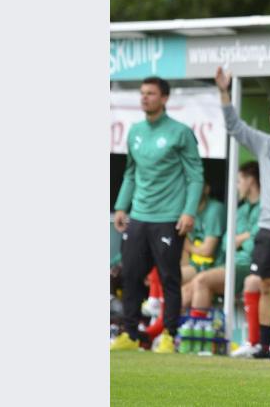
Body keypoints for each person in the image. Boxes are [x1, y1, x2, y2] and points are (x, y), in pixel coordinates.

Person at [110, 76, 204, 353]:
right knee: (130, 275)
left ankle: (168, 335)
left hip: (169, 217)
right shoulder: (136, 131)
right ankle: (129, 333)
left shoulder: (180, 133)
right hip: (139, 215)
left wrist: (188, 211)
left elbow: (195, 175)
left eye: (150, 93)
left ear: (164, 98)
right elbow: (130, 172)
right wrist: (120, 206)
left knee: (168, 277)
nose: (144, 98)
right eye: (142, 93)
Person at [214, 67, 270, 360]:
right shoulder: (265, 144)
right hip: (267, 228)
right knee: (265, 285)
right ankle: (264, 346)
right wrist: (224, 92)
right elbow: (234, 127)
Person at [187, 161, 260, 336]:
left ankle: (198, 335)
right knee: (186, 290)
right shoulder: (240, 210)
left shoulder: (266, 209)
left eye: (239, 181)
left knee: (201, 280)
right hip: (230, 263)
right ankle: (169, 334)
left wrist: (241, 239)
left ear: (250, 180)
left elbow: (255, 245)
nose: (236, 186)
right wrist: (244, 237)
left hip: (249, 266)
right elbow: (228, 242)